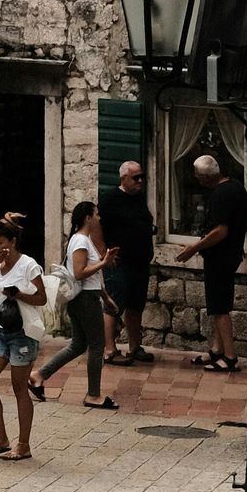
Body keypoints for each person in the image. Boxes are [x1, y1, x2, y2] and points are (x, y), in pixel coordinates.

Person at [0, 211, 46, 461]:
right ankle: (0, 437)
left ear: (12, 242)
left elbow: (42, 298)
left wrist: (18, 294)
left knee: (19, 388)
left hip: (22, 334)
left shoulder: (29, 265)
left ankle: (23, 444)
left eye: (0, 243)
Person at [32, 201, 117, 408]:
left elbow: (93, 277)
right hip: (85, 300)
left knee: (78, 344)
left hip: (86, 298)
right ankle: (93, 395)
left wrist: (105, 298)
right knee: (97, 345)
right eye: (96, 214)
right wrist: (104, 263)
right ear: (88, 218)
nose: (98, 218)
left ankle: (39, 375)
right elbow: (80, 273)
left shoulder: (82, 240)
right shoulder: (80, 241)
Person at [172, 151, 247, 373]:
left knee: (220, 306)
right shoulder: (235, 186)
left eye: (197, 176)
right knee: (216, 305)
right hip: (229, 254)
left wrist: (193, 249)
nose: (196, 179)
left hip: (221, 257)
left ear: (206, 178)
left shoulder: (220, 195)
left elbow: (220, 231)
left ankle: (231, 356)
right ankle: (217, 349)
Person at [101, 155, 158, 368]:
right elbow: (97, 228)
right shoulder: (110, 200)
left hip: (140, 261)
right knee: (113, 305)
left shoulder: (138, 199)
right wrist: (104, 255)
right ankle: (109, 349)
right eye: (136, 178)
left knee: (136, 306)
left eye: (142, 177)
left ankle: (135, 346)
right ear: (124, 178)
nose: (140, 181)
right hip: (120, 262)